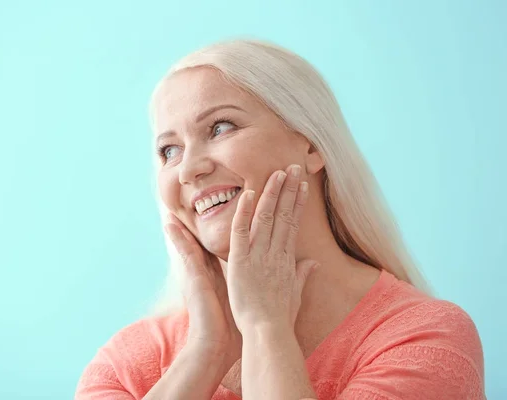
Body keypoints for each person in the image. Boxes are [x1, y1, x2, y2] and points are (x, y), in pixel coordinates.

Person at [74, 39, 485, 400]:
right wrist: (206, 350)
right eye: (169, 150)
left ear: (311, 145)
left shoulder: (426, 339)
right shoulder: (128, 364)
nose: (187, 170)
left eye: (220, 127)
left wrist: (265, 328)